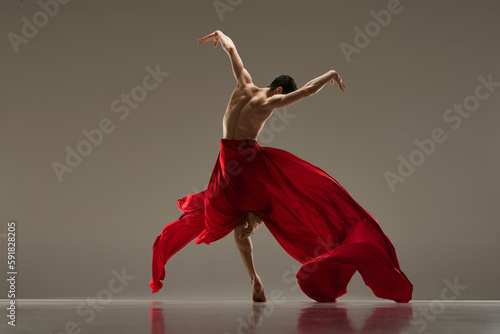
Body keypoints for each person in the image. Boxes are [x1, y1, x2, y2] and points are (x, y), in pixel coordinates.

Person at [149, 30, 413, 303]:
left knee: (225, 219)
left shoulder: (244, 83)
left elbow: (232, 50)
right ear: (278, 90)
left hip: (228, 168)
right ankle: (290, 259)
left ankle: (255, 279)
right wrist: (331, 72)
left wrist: (220, 35)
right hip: (250, 169)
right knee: (276, 205)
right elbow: (308, 91)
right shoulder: (269, 102)